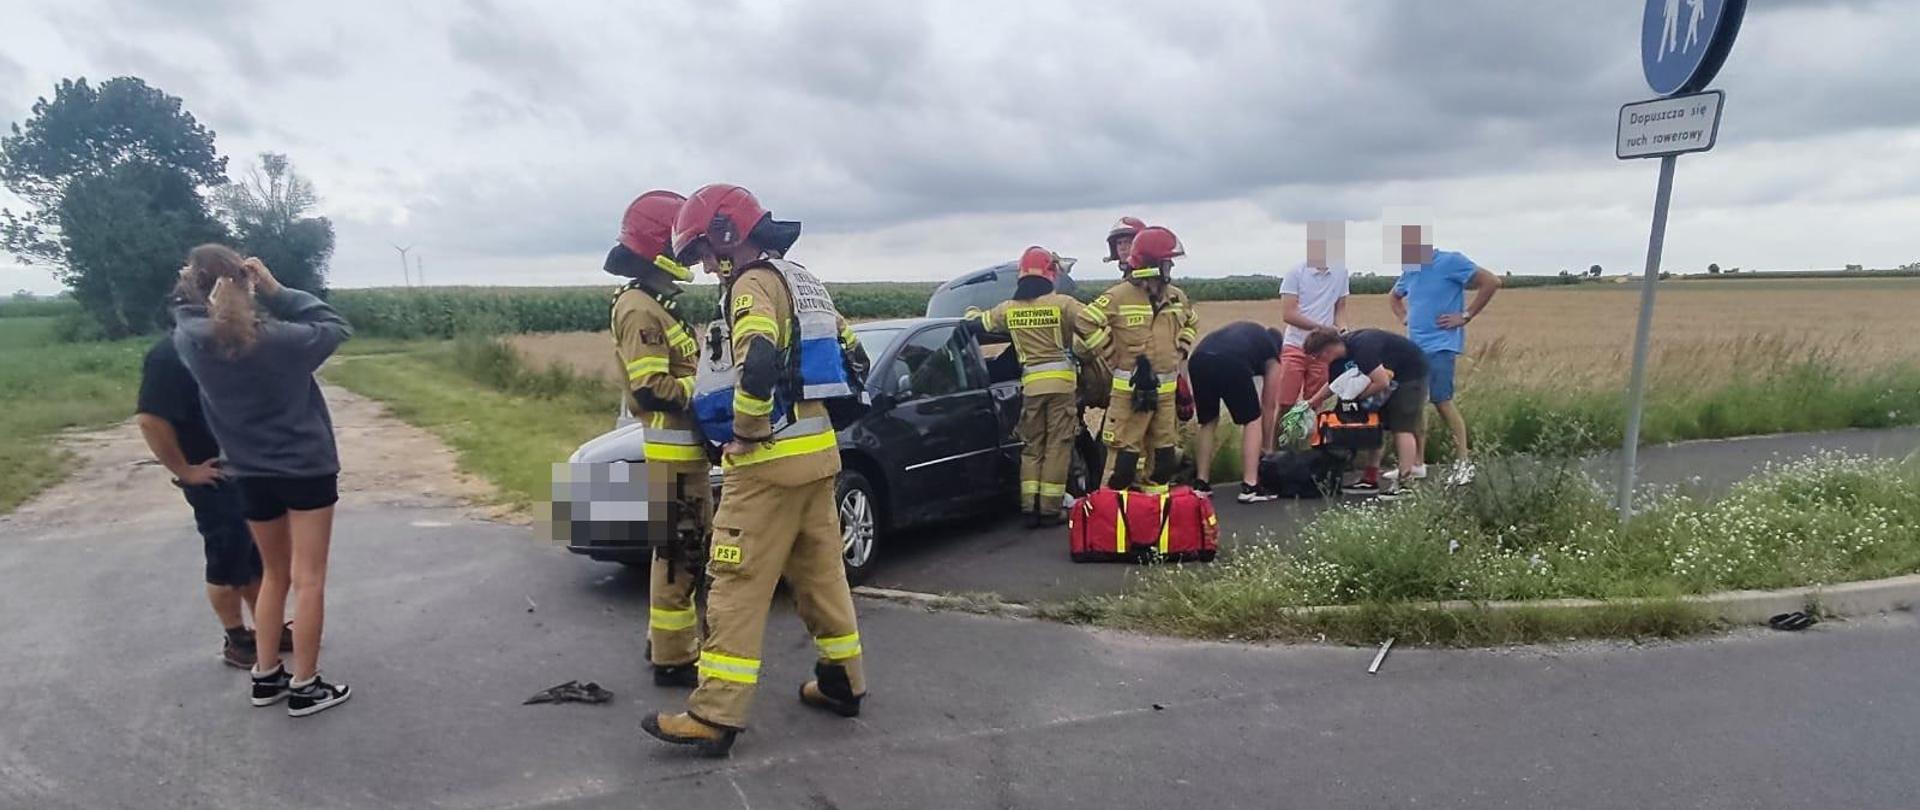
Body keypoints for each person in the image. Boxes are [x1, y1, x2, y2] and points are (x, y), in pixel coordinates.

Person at [644, 183, 870, 757]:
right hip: (818, 457)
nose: (704, 265)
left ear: (727, 236)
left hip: (767, 464)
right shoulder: (804, 281)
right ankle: (842, 682)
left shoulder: (750, 285)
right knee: (822, 575)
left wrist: (746, 431)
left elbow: (760, 358)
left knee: (734, 582)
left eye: (704, 251)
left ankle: (714, 714)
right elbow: (855, 357)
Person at [171, 244, 354, 717]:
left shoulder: (189, 340)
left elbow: (189, 312)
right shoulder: (281, 341)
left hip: (248, 472)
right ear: (246, 283)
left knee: (274, 574)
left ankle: (266, 674)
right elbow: (334, 324)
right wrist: (276, 289)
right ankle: (306, 685)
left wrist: (211, 289)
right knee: (309, 580)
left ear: (195, 286)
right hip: (306, 468)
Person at [605, 190, 712, 688]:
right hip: (673, 457)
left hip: (684, 456)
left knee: (680, 552)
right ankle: (674, 659)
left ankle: (665, 642)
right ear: (658, 247)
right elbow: (651, 387)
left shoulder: (655, 305)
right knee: (679, 556)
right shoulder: (640, 309)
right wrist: (705, 389)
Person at [135, 331, 291, 670]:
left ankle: (268, 627)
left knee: (254, 555)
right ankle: (236, 639)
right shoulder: (169, 355)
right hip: (213, 477)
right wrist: (185, 470)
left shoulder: (223, 345)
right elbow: (150, 420)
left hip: (246, 469)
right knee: (227, 557)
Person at [965, 246, 1086, 527]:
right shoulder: (1063, 304)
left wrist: (971, 310)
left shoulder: (1009, 309)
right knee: (1057, 446)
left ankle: (1029, 507)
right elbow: (1094, 325)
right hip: (1061, 388)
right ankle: (1050, 509)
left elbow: (977, 323)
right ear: (1050, 275)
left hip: (1031, 389)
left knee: (1032, 447)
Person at [1078, 225, 1197, 494]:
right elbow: (1085, 322)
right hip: (1129, 396)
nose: (1170, 267)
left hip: (1164, 398)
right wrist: (1111, 354)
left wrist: (1181, 350)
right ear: (1153, 264)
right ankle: (1110, 516)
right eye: (1167, 262)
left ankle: (1154, 513)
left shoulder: (1176, 296)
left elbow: (1192, 322)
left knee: (1163, 462)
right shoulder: (1119, 296)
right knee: (1122, 465)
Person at [1387, 224, 1501, 485]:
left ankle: (1463, 463)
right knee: (1416, 404)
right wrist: (1405, 317)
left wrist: (1465, 315)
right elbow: (1393, 297)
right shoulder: (1411, 270)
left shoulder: (1450, 261)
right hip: (1414, 347)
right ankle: (1417, 463)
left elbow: (1491, 282)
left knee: (1442, 401)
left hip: (1440, 345)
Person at [1303, 327, 1427, 499]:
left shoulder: (1363, 348)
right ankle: (1370, 478)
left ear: (1327, 350)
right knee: (1375, 423)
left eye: (1317, 356)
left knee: (1402, 427)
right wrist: (1312, 401)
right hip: (1386, 375)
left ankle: (1405, 484)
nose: (1317, 361)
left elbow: (1382, 382)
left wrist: (1355, 397)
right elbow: (1334, 384)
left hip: (1409, 373)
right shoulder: (1337, 359)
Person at [1189, 321, 1286, 503]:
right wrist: (1267, 449)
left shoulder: (1249, 334)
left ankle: (1201, 483)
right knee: (1252, 420)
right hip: (1231, 361)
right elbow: (1268, 406)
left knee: (1208, 421)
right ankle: (1251, 486)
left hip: (1199, 358)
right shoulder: (1273, 355)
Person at [1275, 221, 1350, 418]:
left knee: (1314, 402)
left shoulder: (1341, 272)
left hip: (1324, 350)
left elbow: (1340, 309)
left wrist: (1343, 331)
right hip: (1296, 345)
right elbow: (1288, 314)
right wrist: (1323, 329)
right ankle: (1277, 438)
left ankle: (1312, 437)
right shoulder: (1295, 273)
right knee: (1285, 403)